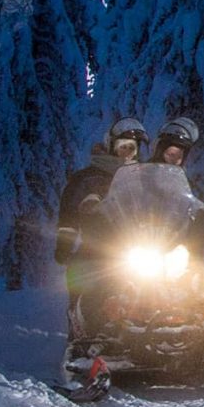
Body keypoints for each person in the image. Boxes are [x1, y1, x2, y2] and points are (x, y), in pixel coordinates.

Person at [56, 118, 147, 349]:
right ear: (112, 145)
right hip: (98, 246)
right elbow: (69, 214)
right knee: (87, 274)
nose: (126, 152)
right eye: (123, 146)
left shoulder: (142, 179)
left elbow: (160, 205)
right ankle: (85, 334)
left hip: (138, 245)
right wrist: (64, 243)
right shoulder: (86, 179)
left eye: (132, 148)